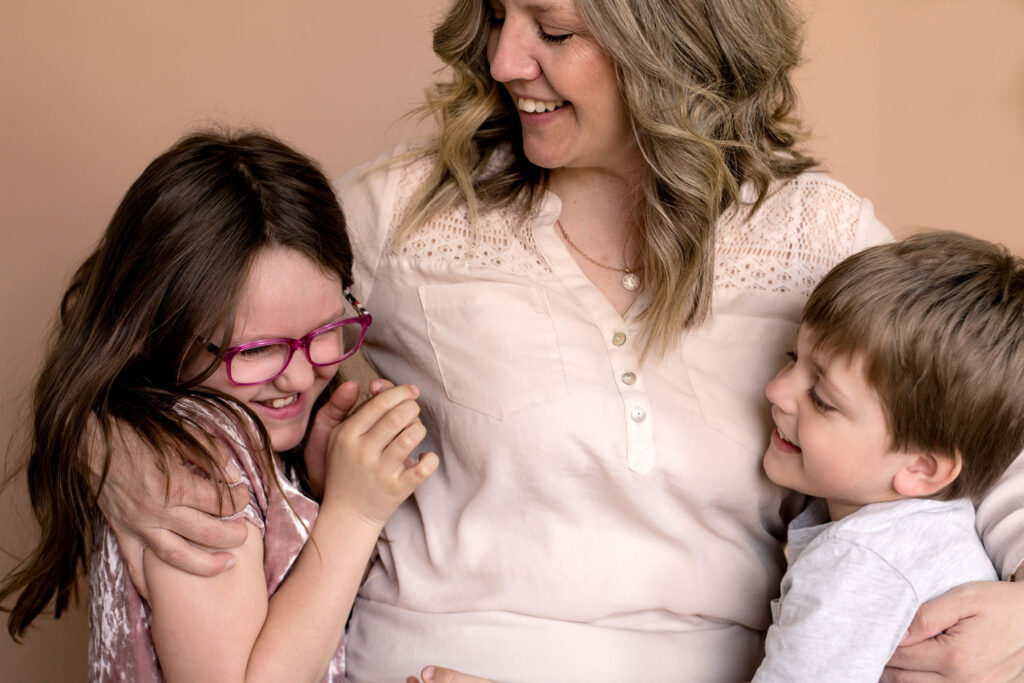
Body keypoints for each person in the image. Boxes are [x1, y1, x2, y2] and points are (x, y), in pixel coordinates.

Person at [88, 1, 1024, 681]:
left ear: (671, 35)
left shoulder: (815, 235)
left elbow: (980, 421)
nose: (504, 58)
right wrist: (110, 442)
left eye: (555, 29)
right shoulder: (410, 215)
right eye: (499, 16)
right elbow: (184, 310)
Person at [0, 131, 437, 682]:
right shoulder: (195, 473)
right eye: (256, 350)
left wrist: (316, 497)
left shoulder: (232, 434)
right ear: (160, 333)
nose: (302, 376)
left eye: (327, 330)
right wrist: (354, 516)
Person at [751, 231, 1024, 681]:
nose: (776, 390)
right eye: (792, 357)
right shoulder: (935, 522)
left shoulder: (857, 563)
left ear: (921, 468)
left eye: (821, 399)